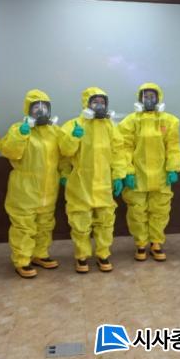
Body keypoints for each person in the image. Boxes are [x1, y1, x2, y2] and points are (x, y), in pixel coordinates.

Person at [1, 89, 67, 279]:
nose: (40, 111)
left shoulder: (55, 131)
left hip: (48, 188)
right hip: (25, 189)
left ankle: (40, 254)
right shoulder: (18, 128)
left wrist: (64, 174)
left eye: (44, 107)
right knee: (23, 226)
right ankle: (22, 260)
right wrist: (20, 135)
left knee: (45, 224)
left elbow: (63, 157)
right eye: (35, 107)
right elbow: (9, 152)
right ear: (27, 109)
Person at [60, 87, 126, 273]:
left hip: (104, 182)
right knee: (80, 221)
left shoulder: (111, 126)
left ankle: (103, 254)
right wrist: (73, 138)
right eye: (95, 102)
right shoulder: (73, 125)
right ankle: (81, 256)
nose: (99, 105)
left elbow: (118, 152)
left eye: (102, 102)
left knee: (105, 221)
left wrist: (119, 175)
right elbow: (65, 152)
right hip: (81, 183)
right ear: (86, 104)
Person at [118, 83, 180, 261]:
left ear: (159, 98)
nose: (149, 100)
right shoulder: (130, 122)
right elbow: (124, 148)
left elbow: (173, 147)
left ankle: (156, 242)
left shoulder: (169, 121)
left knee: (160, 210)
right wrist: (127, 171)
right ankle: (140, 244)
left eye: (152, 96)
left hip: (161, 175)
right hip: (137, 175)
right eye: (145, 96)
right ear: (140, 99)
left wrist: (173, 168)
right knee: (137, 212)